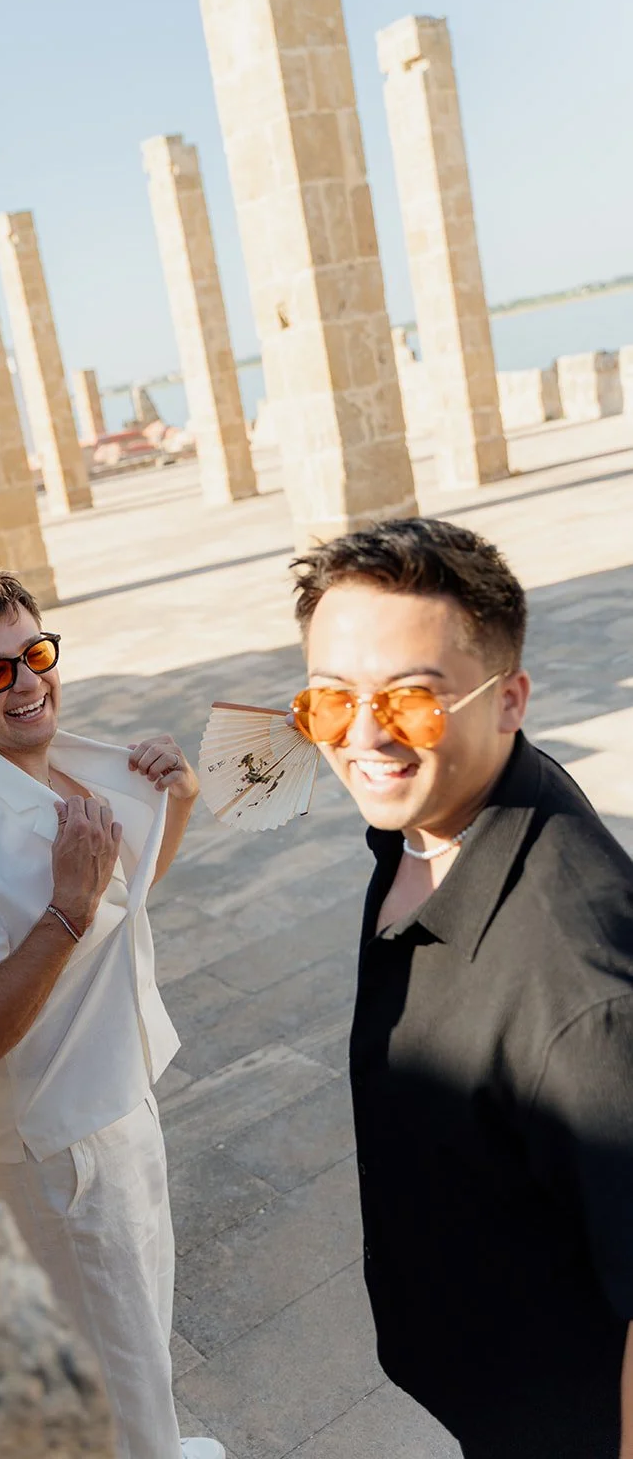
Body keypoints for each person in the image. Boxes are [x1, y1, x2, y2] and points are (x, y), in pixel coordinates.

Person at [288, 516, 633, 1459]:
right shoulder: (431, 819)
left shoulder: (580, 993)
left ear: (508, 699)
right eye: (327, 701)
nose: (364, 737)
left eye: (411, 700)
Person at [0, 567, 223, 1459]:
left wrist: (177, 801)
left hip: (122, 1096)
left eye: (34, 654)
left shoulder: (77, 763)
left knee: (141, 1348)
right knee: (113, 1387)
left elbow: (122, 900)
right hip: (56, 1145)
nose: (28, 683)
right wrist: (63, 911)